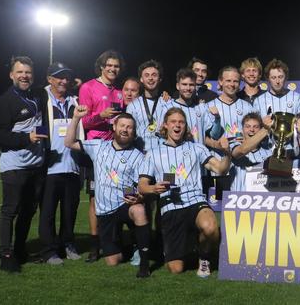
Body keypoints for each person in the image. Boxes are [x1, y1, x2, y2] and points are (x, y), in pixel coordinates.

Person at [138, 108, 232, 277]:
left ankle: (204, 259)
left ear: (186, 126)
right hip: (170, 206)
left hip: (195, 201)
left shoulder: (197, 148)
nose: (177, 125)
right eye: (173, 122)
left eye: (181, 122)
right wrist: (154, 189)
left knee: (211, 227)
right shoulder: (152, 154)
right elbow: (142, 186)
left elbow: (221, 169)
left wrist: (226, 153)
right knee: (176, 269)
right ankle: (190, 244)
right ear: (165, 125)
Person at [65, 108, 151, 277]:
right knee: (113, 261)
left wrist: (137, 197)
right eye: (122, 125)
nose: (125, 129)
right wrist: (75, 118)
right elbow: (69, 142)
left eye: (130, 127)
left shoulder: (138, 156)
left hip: (124, 204)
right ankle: (126, 244)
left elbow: (137, 184)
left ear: (134, 132)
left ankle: (145, 263)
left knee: (139, 210)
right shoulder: (98, 146)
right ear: (114, 127)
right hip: (105, 210)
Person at [0, 56, 47, 273]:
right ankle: (6, 254)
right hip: (15, 165)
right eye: (20, 72)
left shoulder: (37, 95)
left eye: (28, 72)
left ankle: (21, 249)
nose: (24, 76)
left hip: (36, 164)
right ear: (11, 75)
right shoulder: (4, 101)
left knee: (28, 210)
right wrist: (25, 139)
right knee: (10, 210)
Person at [78, 49, 125, 262]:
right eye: (110, 65)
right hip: (95, 149)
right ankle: (95, 244)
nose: (113, 69)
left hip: (116, 149)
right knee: (96, 198)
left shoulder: (118, 92)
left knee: (118, 193)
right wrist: (101, 116)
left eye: (116, 66)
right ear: (101, 67)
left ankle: (113, 240)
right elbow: (83, 121)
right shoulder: (88, 87)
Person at [37, 63, 85, 265]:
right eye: (58, 77)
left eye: (66, 77)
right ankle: (49, 250)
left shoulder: (75, 101)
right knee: (47, 212)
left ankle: (67, 243)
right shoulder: (40, 98)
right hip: (49, 167)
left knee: (69, 211)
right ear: (49, 79)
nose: (63, 81)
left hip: (72, 166)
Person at [204, 66, 255, 195]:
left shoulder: (247, 107)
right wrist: (217, 144)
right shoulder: (209, 107)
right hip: (219, 164)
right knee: (220, 206)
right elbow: (204, 137)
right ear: (220, 82)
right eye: (228, 81)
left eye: (235, 81)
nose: (232, 84)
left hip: (243, 164)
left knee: (242, 205)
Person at [126, 60, 170, 153]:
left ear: (160, 78)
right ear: (141, 79)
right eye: (146, 75)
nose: (150, 78)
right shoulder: (132, 106)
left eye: (154, 75)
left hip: (164, 155)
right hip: (141, 155)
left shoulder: (168, 103)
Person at [231, 113, 274, 191]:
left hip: (262, 198)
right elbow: (240, 152)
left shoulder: (269, 152)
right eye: (247, 126)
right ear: (242, 129)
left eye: (256, 127)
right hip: (237, 198)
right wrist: (266, 129)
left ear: (260, 129)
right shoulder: (234, 145)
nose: (251, 130)